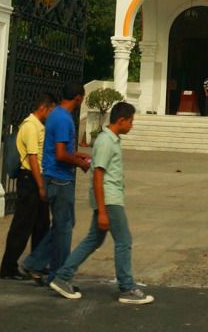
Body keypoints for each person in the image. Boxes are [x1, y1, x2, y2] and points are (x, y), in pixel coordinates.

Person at [48, 101, 154, 305]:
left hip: (107, 199)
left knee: (93, 240)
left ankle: (62, 277)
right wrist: (103, 210)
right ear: (121, 120)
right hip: (109, 199)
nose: (132, 126)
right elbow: (98, 176)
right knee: (124, 241)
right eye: (130, 122)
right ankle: (127, 287)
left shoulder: (111, 140)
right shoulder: (106, 142)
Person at [18, 82, 91, 285]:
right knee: (64, 228)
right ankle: (55, 275)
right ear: (78, 98)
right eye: (82, 98)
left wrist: (77, 154)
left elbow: (58, 149)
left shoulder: (56, 115)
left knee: (62, 226)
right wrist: (80, 164)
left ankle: (43, 268)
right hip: (60, 180)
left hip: (55, 177)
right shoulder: (63, 119)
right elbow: (60, 155)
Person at [0, 92, 55, 280]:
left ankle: (36, 265)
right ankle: (8, 267)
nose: (51, 115)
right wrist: (40, 186)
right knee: (22, 226)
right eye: (51, 110)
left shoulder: (39, 125)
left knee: (41, 225)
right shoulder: (31, 126)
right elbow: (32, 157)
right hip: (30, 180)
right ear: (43, 108)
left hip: (37, 178)